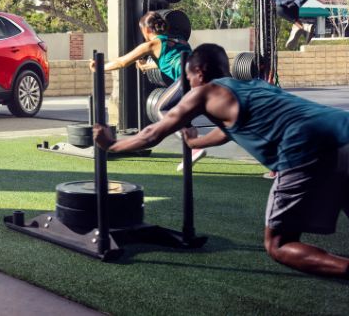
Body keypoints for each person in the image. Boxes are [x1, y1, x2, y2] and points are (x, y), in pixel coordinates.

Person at [93, 43, 349, 278]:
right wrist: (196, 142)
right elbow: (229, 131)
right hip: (341, 129)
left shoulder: (203, 92)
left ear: (200, 72)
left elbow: (152, 134)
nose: (188, 85)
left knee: (278, 245)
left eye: (188, 77)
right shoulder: (252, 86)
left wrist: (112, 144)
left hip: (304, 146)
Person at [89, 11, 205, 170]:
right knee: (182, 115)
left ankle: (194, 144)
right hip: (203, 79)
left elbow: (122, 62)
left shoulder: (151, 44)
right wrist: (148, 65)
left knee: (161, 108)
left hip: (187, 79)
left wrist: (99, 67)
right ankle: (192, 151)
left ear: (147, 30)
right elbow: (173, 61)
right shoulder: (181, 40)